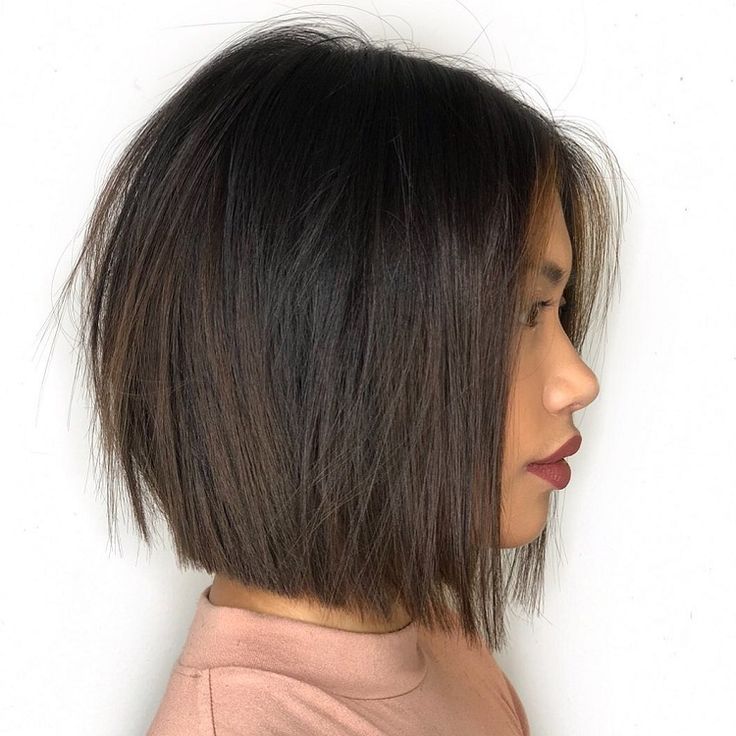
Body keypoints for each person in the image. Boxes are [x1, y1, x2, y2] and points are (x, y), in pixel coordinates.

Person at [52, 14, 625, 735]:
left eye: (556, 310)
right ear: (334, 350)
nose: (578, 381)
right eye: (522, 314)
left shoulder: (443, 643)